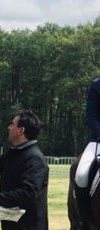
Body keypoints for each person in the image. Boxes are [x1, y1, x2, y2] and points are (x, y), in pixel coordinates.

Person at [0, 110, 49, 230]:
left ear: (21, 130)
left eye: (12, 124)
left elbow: (28, 193)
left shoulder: (35, 158)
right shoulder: (14, 154)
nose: (9, 127)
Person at [74, 77, 100, 229]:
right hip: (98, 139)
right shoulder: (96, 85)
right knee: (81, 174)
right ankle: (84, 219)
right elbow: (91, 117)